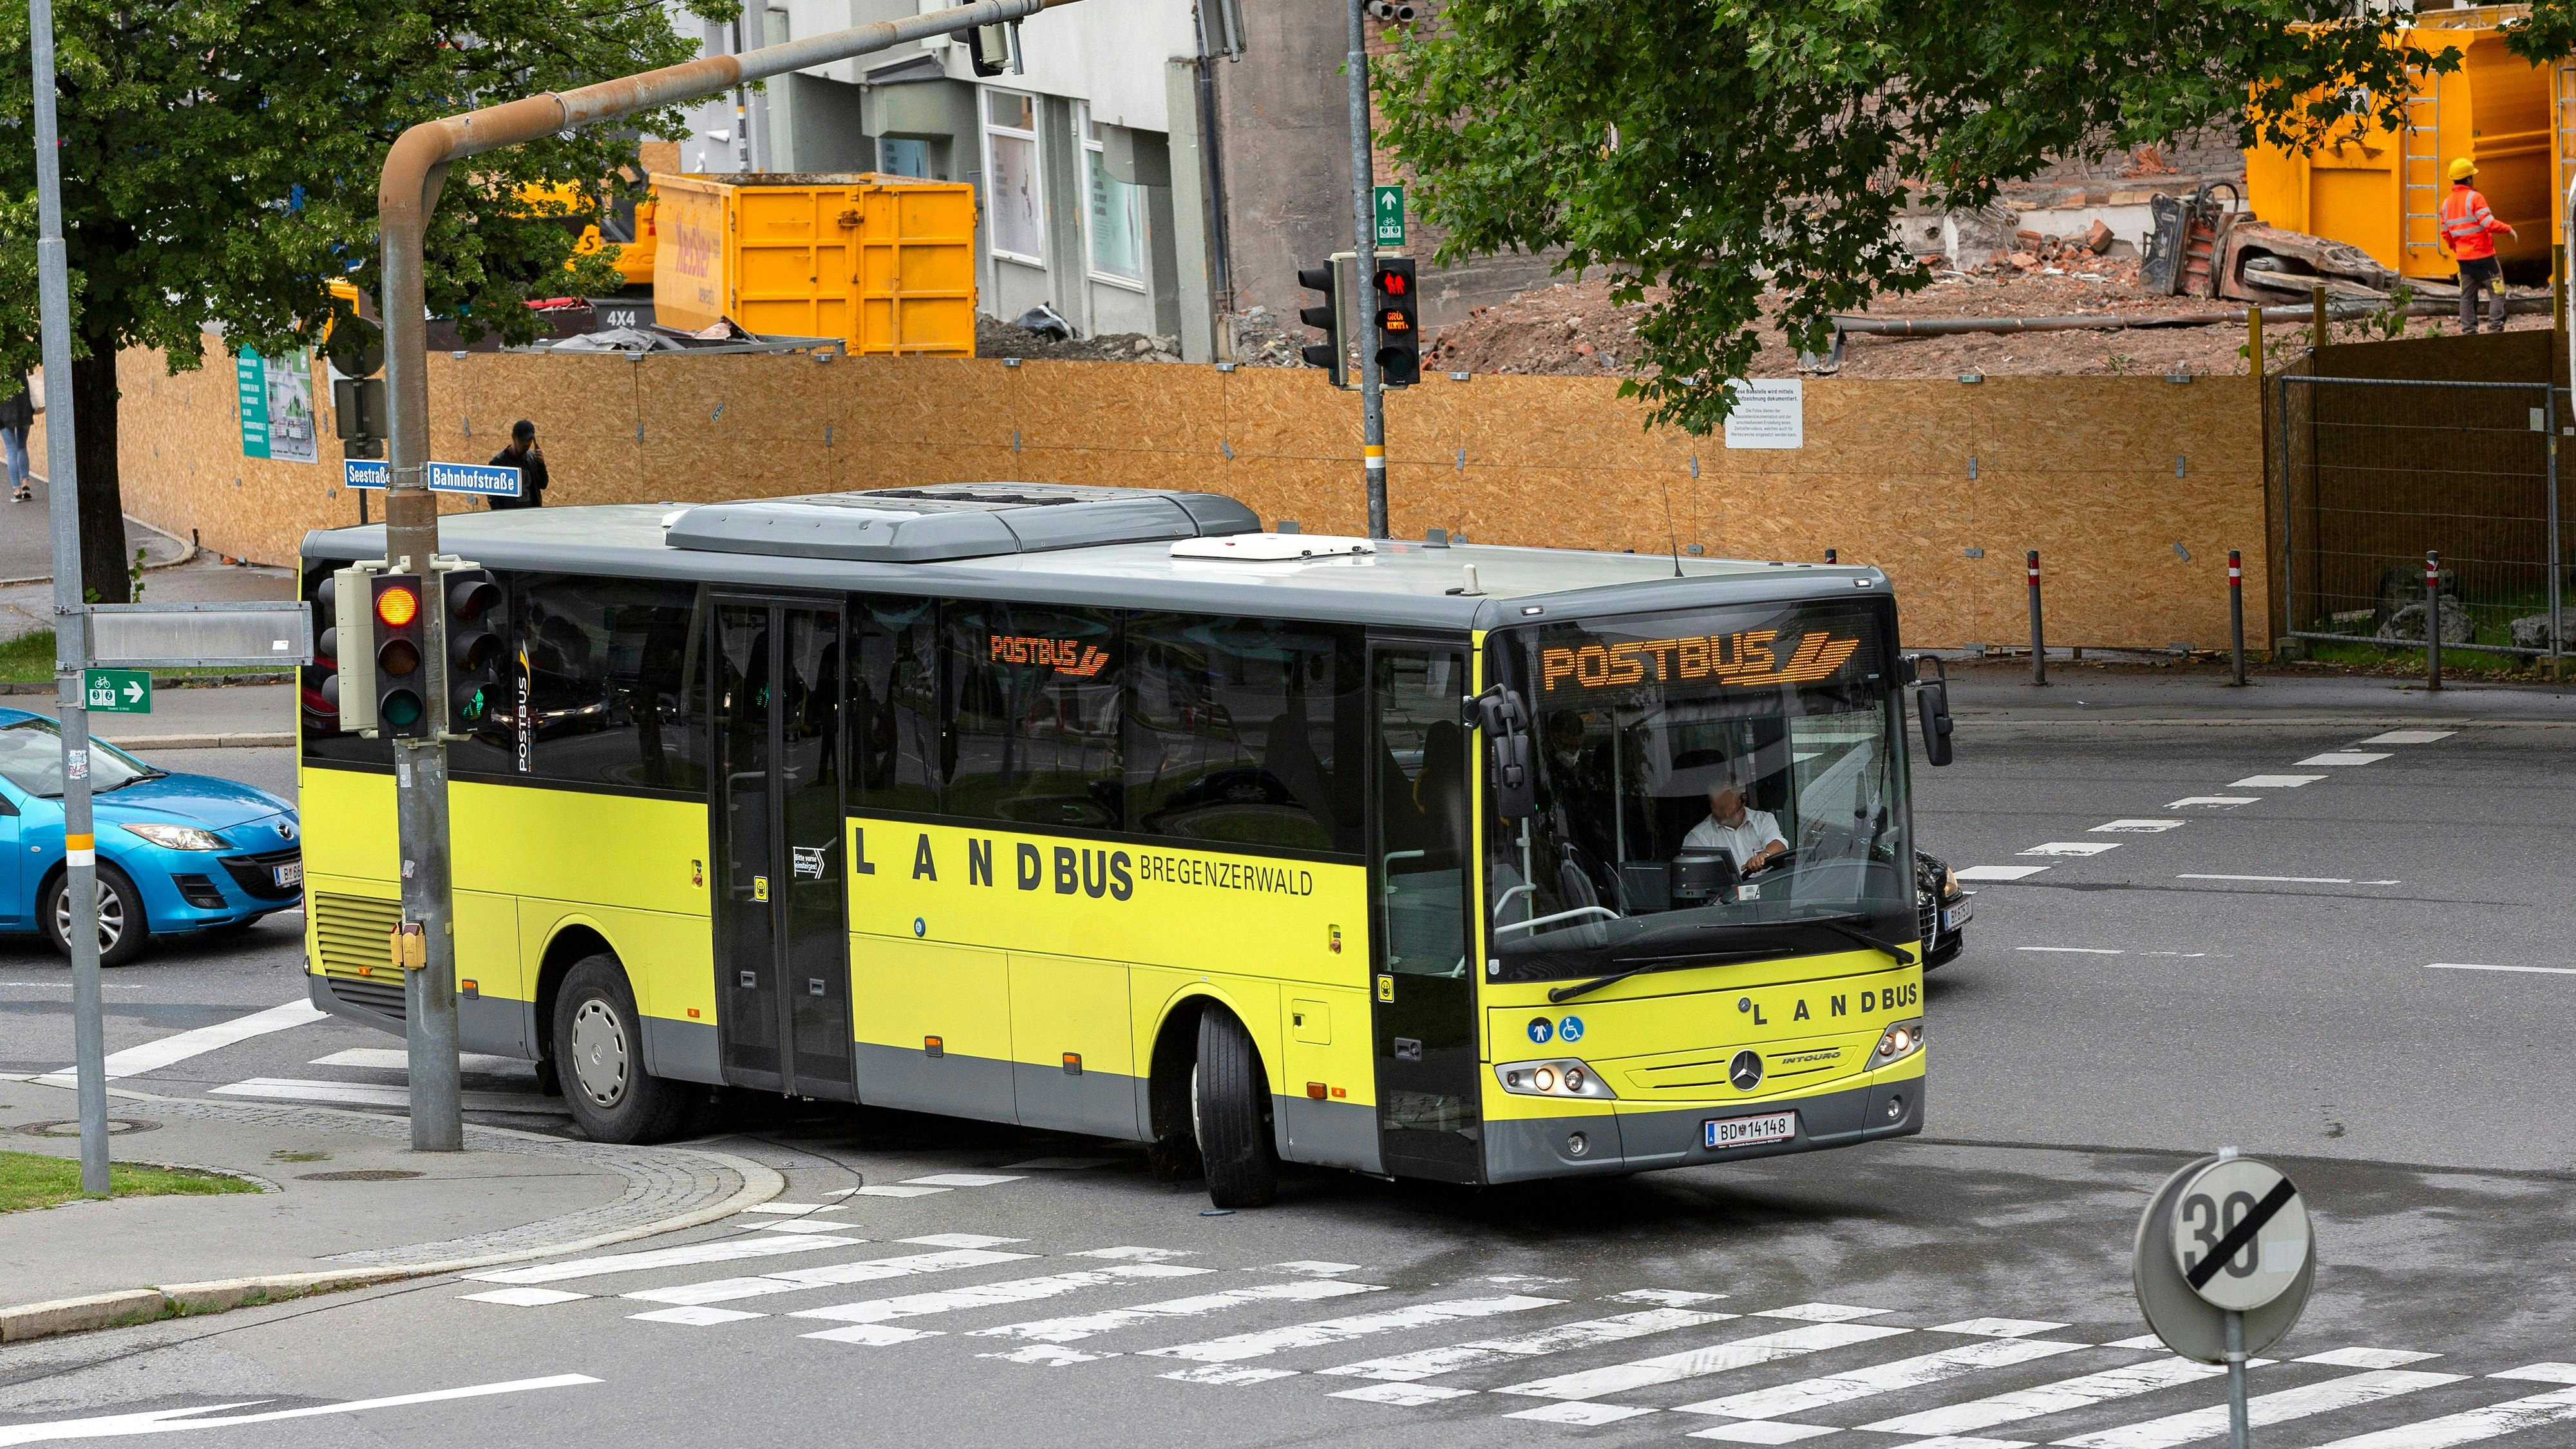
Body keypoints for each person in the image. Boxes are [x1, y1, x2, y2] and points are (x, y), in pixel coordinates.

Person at [2438, 158, 2517, 336]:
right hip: (2485, 258)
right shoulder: (2475, 197)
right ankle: (2495, 330)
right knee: (2498, 293)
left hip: (2464, 261)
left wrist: (2459, 248)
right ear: (2469, 179)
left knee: (2466, 297)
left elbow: (2446, 233)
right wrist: (2508, 229)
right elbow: (2488, 223)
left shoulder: (2446, 204)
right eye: (2472, 177)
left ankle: (2469, 332)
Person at [1683, 781, 1787, 873]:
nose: (1718, 808)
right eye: (1714, 802)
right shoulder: (1699, 835)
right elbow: (1691, 873)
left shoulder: (1763, 820)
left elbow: (1778, 844)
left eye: (1724, 801)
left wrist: (1764, 856)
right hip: (1726, 894)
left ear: (1742, 799)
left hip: (1766, 887)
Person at [488, 419, 549, 509]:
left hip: (532, 516)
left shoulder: (533, 458)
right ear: (513, 437)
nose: (525, 446)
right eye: (522, 442)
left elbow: (543, 485)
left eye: (528, 443)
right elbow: (493, 498)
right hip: (510, 518)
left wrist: (541, 465)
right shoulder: (498, 463)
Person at [0, 370, 33, 503]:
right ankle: (26, 486)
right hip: (24, 412)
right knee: (21, 448)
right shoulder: (21, 365)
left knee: (11, 450)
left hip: (4, 415)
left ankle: (17, 491)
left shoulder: (2, 369)